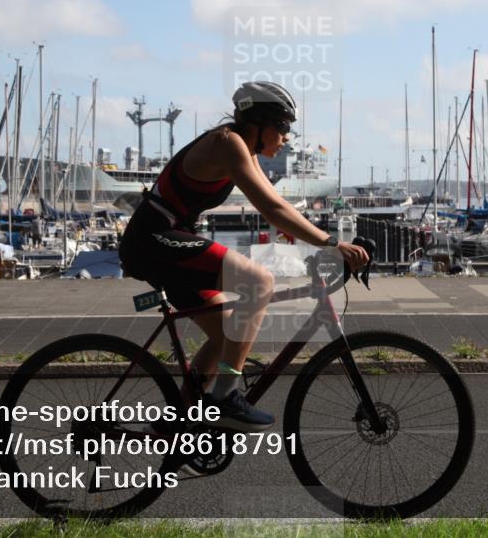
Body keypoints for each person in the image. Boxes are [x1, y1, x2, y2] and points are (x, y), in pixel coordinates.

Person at [118, 81, 369, 431]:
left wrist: (317, 244)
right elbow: (272, 208)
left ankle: (175, 425)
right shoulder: (228, 144)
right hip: (153, 239)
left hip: (167, 240)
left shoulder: (243, 149)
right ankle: (224, 396)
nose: (285, 137)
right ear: (258, 123)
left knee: (229, 333)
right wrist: (330, 243)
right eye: (282, 127)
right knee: (258, 281)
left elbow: (277, 205)